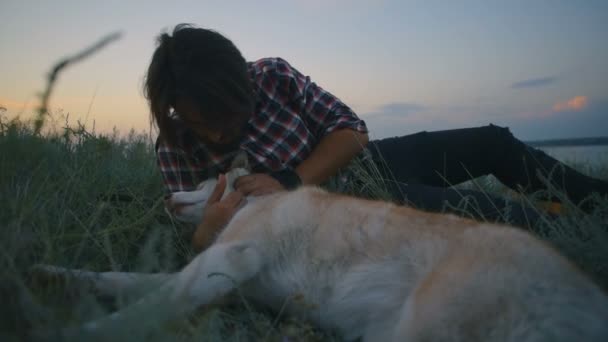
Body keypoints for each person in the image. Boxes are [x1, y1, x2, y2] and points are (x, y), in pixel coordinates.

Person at [147, 25, 607, 248]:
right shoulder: (174, 148)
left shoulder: (270, 75)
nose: (220, 131)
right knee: (508, 219)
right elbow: (198, 241)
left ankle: (597, 202)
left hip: (363, 167)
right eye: (203, 122)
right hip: (336, 216)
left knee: (491, 142)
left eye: (229, 114)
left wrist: (289, 180)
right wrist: (209, 229)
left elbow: (352, 132)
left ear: (241, 82)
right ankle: (568, 232)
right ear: (175, 111)